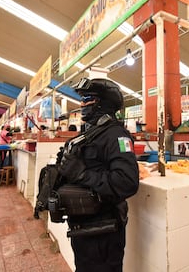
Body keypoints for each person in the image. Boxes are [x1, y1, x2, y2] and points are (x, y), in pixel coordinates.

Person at [57, 78, 139, 272]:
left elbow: (127, 182)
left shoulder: (116, 135)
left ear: (104, 102)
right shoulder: (88, 135)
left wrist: (82, 174)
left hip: (104, 230)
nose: (82, 103)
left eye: (88, 98)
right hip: (82, 227)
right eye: (82, 99)